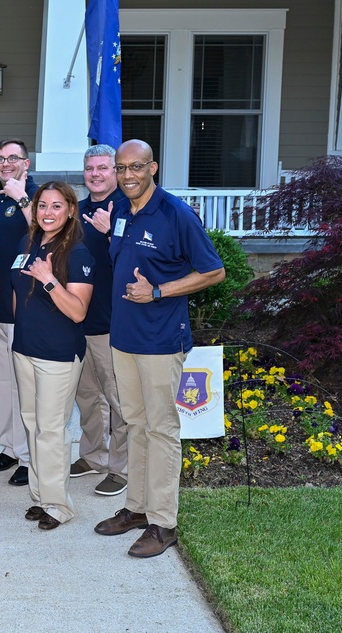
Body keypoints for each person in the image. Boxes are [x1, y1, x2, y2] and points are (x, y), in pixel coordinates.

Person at [95, 140, 225, 558]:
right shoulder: (121, 210)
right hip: (125, 337)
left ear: (153, 167)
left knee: (162, 429)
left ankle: (163, 523)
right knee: (135, 423)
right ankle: (136, 508)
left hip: (161, 339)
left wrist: (159, 291)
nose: (127, 175)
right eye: (121, 168)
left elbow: (214, 271)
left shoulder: (175, 214)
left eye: (136, 167)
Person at [11, 181, 95, 531]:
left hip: (58, 356)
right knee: (32, 427)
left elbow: (78, 311)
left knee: (51, 430)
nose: (48, 212)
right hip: (26, 350)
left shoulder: (78, 253)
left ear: (70, 210)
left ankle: (59, 506)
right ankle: (41, 497)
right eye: (42, 205)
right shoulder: (27, 243)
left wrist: (48, 280)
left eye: (56, 206)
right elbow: (17, 294)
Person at [0, 138, 39, 488]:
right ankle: (10, 446)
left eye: (13, 158)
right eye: (0, 158)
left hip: (24, 311)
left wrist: (22, 197)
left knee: (24, 388)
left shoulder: (34, 197)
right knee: (3, 385)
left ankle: (30, 456)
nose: (5, 163)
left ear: (26, 163)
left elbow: (45, 230)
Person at [72, 144, 128, 496]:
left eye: (103, 168)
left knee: (120, 400)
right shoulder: (75, 211)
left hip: (113, 322)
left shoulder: (126, 208)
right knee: (87, 397)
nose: (96, 174)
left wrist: (110, 232)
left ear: (115, 171)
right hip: (78, 321)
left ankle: (121, 469)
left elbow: (137, 259)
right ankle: (93, 456)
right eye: (90, 168)